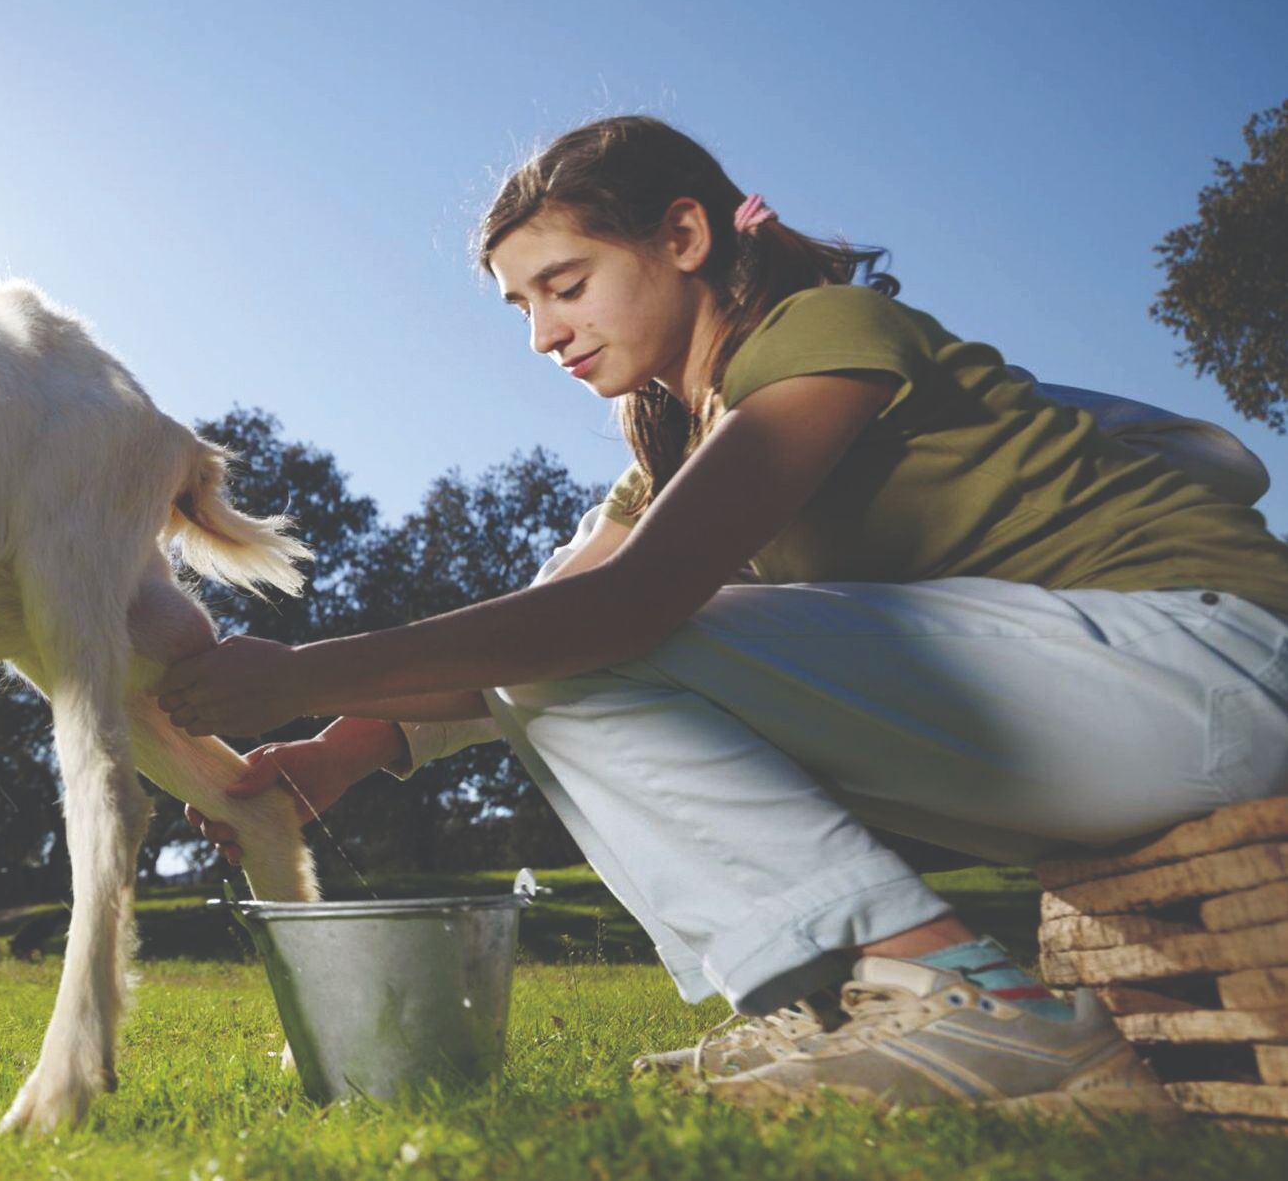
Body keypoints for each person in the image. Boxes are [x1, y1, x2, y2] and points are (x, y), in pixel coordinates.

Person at [151, 115, 1288, 1116]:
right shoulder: (675, 450)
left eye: (566, 283)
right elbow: (550, 629)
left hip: (1219, 665)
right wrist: (337, 755)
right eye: (521, 305)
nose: (543, 334)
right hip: (1091, 723)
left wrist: (297, 670)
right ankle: (854, 1000)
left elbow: (627, 610)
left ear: (684, 238)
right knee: (566, 623)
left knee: (602, 627)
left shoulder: (825, 332)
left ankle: (974, 1002)